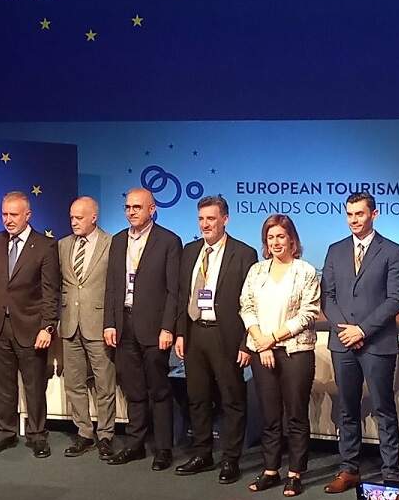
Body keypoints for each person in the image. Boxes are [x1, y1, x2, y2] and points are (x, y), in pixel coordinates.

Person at [322, 192, 399, 493]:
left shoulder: (393, 251)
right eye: (349, 214)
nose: (354, 220)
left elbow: (396, 299)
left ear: (374, 214)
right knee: (347, 408)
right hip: (342, 343)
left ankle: (390, 474)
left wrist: (362, 330)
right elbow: (327, 297)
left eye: (359, 214)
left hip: (377, 343)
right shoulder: (335, 250)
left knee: (384, 408)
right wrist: (346, 331)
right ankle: (349, 469)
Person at [174, 195, 257, 484]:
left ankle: (231, 459)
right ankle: (202, 453)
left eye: (211, 218)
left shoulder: (244, 253)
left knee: (232, 399)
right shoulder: (190, 251)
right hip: (195, 333)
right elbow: (181, 296)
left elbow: (252, 302)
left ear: (225, 219)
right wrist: (180, 332)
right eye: (201, 219)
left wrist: (246, 343)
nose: (205, 224)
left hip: (227, 335)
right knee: (197, 397)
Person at [240, 213, 320, 497]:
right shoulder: (257, 271)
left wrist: (272, 339)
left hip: (295, 352)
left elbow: (308, 313)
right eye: (270, 237)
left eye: (280, 237)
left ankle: (295, 473)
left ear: (292, 240)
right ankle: (271, 470)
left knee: (296, 414)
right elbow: (246, 307)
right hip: (262, 351)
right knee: (270, 415)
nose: (275, 242)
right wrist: (262, 343)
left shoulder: (305, 271)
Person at [103, 187, 182, 470]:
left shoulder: (169, 241)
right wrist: (109, 323)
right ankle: (135, 444)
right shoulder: (117, 240)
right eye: (128, 207)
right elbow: (112, 286)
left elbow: (174, 291)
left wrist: (168, 328)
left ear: (152, 209)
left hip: (154, 327)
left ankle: (163, 449)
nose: (131, 212)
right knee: (133, 389)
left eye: (137, 207)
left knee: (158, 390)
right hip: (124, 325)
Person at [0, 192, 60, 458]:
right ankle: (4, 433)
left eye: (14, 214)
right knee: (2, 386)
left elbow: (51, 292)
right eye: (4, 214)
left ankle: (37, 436)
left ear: (28, 215)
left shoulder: (45, 245)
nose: (8, 220)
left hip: (31, 328)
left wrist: (47, 327)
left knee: (34, 386)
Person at [57, 196, 117, 460]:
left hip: (99, 324)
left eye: (79, 218)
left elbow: (114, 287)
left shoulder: (111, 243)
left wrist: (112, 323)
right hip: (70, 324)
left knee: (104, 384)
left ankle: (106, 435)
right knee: (74, 384)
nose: (74, 222)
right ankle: (84, 433)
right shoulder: (62, 245)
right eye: (71, 217)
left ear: (94, 217)